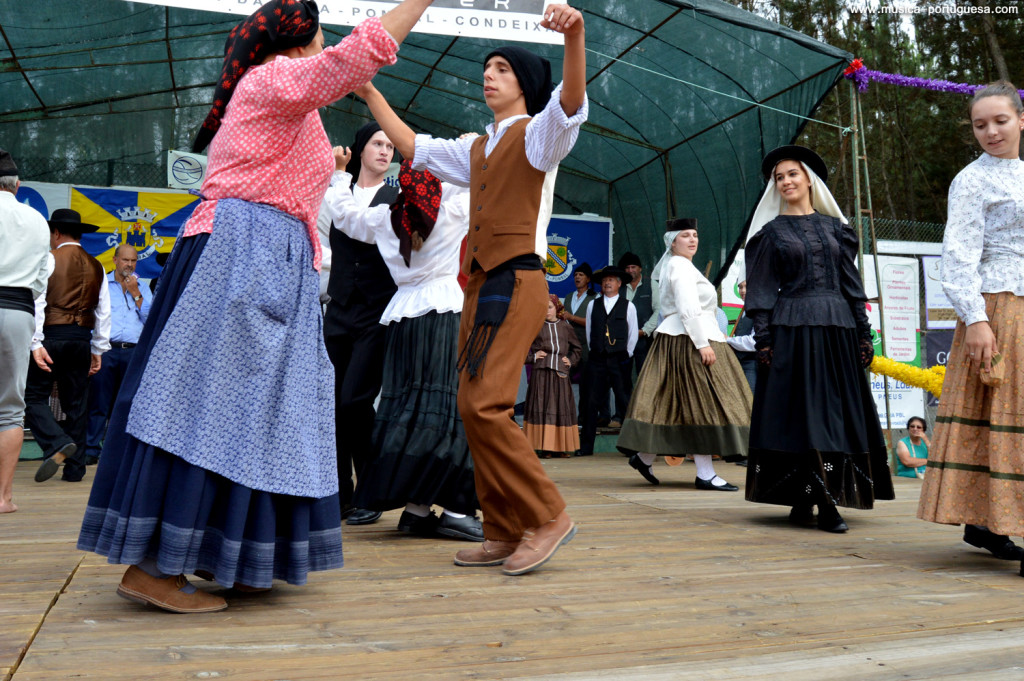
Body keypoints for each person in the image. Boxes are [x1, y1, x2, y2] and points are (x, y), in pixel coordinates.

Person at [76, 0, 439, 614]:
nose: (328, 43)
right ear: (300, 40)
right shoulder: (271, 79)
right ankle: (154, 565)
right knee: (207, 405)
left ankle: (238, 555)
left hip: (269, 258)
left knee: (267, 416)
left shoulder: (283, 95)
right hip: (243, 255)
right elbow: (357, 57)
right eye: (321, 33)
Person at [356, 3, 587, 575]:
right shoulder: (476, 148)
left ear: (526, 86)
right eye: (487, 68)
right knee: (469, 405)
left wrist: (576, 35)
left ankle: (548, 515)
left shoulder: (537, 137)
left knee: (486, 405)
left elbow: (572, 102)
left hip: (519, 280)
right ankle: (504, 529)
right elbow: (412, 146)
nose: (489, 75)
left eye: (502, 69)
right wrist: (369, 95)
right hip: (483, 286)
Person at [325, 147, 483, 542]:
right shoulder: (452, 206)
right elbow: (482, 180)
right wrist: (471, 149)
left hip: (401, 318)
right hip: (443, 313)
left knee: (409, 411)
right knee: (448, 410)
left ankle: (415, 509)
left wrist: (340, 174)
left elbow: (344, 215)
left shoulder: (386, 216)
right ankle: (458, 511)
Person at [743, 145, 893, 533]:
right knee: (803, 416)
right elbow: (759, 294)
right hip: (792, 331)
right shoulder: (769, 235)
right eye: (779, 178)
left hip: (838, 331)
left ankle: (813, 495)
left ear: (809, 179)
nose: (786, 181)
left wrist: (863, 334)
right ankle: (820, 501)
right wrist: (763, 340)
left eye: (792, 174)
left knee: (834, 415)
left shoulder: (837, 230)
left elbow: (852, 287)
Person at [918, 81, 1024, 566]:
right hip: (997, 306)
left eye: (1000, 120)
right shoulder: (972, 180)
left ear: (1021, 120)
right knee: (1002, 413)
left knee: (1006, 417)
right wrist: (977, 320)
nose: (991, 131)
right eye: (981, 125)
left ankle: (988, 523)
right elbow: (958, 257)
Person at [617, 219, 748, 491]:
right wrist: (702, 343)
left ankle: (645, 457)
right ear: (672, 242)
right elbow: (687, 306)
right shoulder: (678, 265)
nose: (692, 240)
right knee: (701, 403)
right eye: (685, 236)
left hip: (685, 337)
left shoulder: (683, 266)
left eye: (695, 235)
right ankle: (705, 473)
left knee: (675, 404)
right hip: (687, 339)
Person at [324, 121, 400, 527]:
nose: (385, 151)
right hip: (338, 308)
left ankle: (373, 489)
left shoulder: (395, 194)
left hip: (375, 310)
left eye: (390, 145)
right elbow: (321, 242)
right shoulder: (336, 191)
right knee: (333, 406)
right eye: (377, 143)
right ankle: (340, 496)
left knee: (356, 399)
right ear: (359, 148)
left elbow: (368, 232)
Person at [26, 209, 110, 484]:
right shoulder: (97, 265)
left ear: (57, 233)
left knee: (33, 396)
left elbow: (38, 302)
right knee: (77, 404)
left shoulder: (49, 259)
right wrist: (97, 349)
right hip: (81, 340)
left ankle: (57, 442)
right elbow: (103, 312)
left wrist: (35, 341)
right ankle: (75, 469)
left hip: (52, 336)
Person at [0, 149, 53, 513]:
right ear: (17, 185)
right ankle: (2, 497)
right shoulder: (37, 220)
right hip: (19, 310)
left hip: (16, 302)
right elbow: (39, 281)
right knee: (10, 411)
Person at [84, 244, 152, 466]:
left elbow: (150, 320)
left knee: (126, 404)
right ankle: (91, 449)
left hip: (132, 352)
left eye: (133, 261)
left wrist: (136, 293)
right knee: (99, 402)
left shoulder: (142, 287)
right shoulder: (103, 284)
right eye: (125, 260)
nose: (129, 265)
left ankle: (119, 450)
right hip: (107, 350)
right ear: (115, 260)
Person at [578, 266, 637, 457]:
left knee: (625, 401)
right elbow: (589, 334)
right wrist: (597, 349)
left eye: (611, 280)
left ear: (619, 284)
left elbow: (633, 333)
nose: (607, 283)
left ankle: (631, 446)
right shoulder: (592, 305)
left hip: (619, 359)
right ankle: (586, 447)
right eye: (605, 280)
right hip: (597, 360)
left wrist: (625, 354)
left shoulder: (628, 305)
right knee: (590, 403)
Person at [524, 294, 582, 458]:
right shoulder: (536, 326)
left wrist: (570, 361)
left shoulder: (565, 327)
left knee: (560, 406)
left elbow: (577, 348)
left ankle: (561, 447)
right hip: (541, 372)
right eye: (543, 308)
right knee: (543, 406)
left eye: (549, 307)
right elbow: (521, 348)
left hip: (560, 373)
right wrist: (533, 357)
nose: (546, 311)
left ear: (557, 308)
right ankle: (545, 447)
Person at [562, 263, 599, 417]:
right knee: (563, 381)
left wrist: (572, 318)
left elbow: (593, 321)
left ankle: (583, 417)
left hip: (585, 347)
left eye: (581, 275)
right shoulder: (569, 296)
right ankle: (564, 414)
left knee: (586, 384)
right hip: (568, 347)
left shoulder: (595, 297)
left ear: (588, 279)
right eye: (576, 274)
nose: (577, 277)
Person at [726, 280, 757, 392]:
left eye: (746, 287)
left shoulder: (758, 311)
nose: (742, 290)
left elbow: (754, 342)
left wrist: (729, 340)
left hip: (752, 364)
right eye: (740, 287)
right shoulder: (743, 310)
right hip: (739, 363)